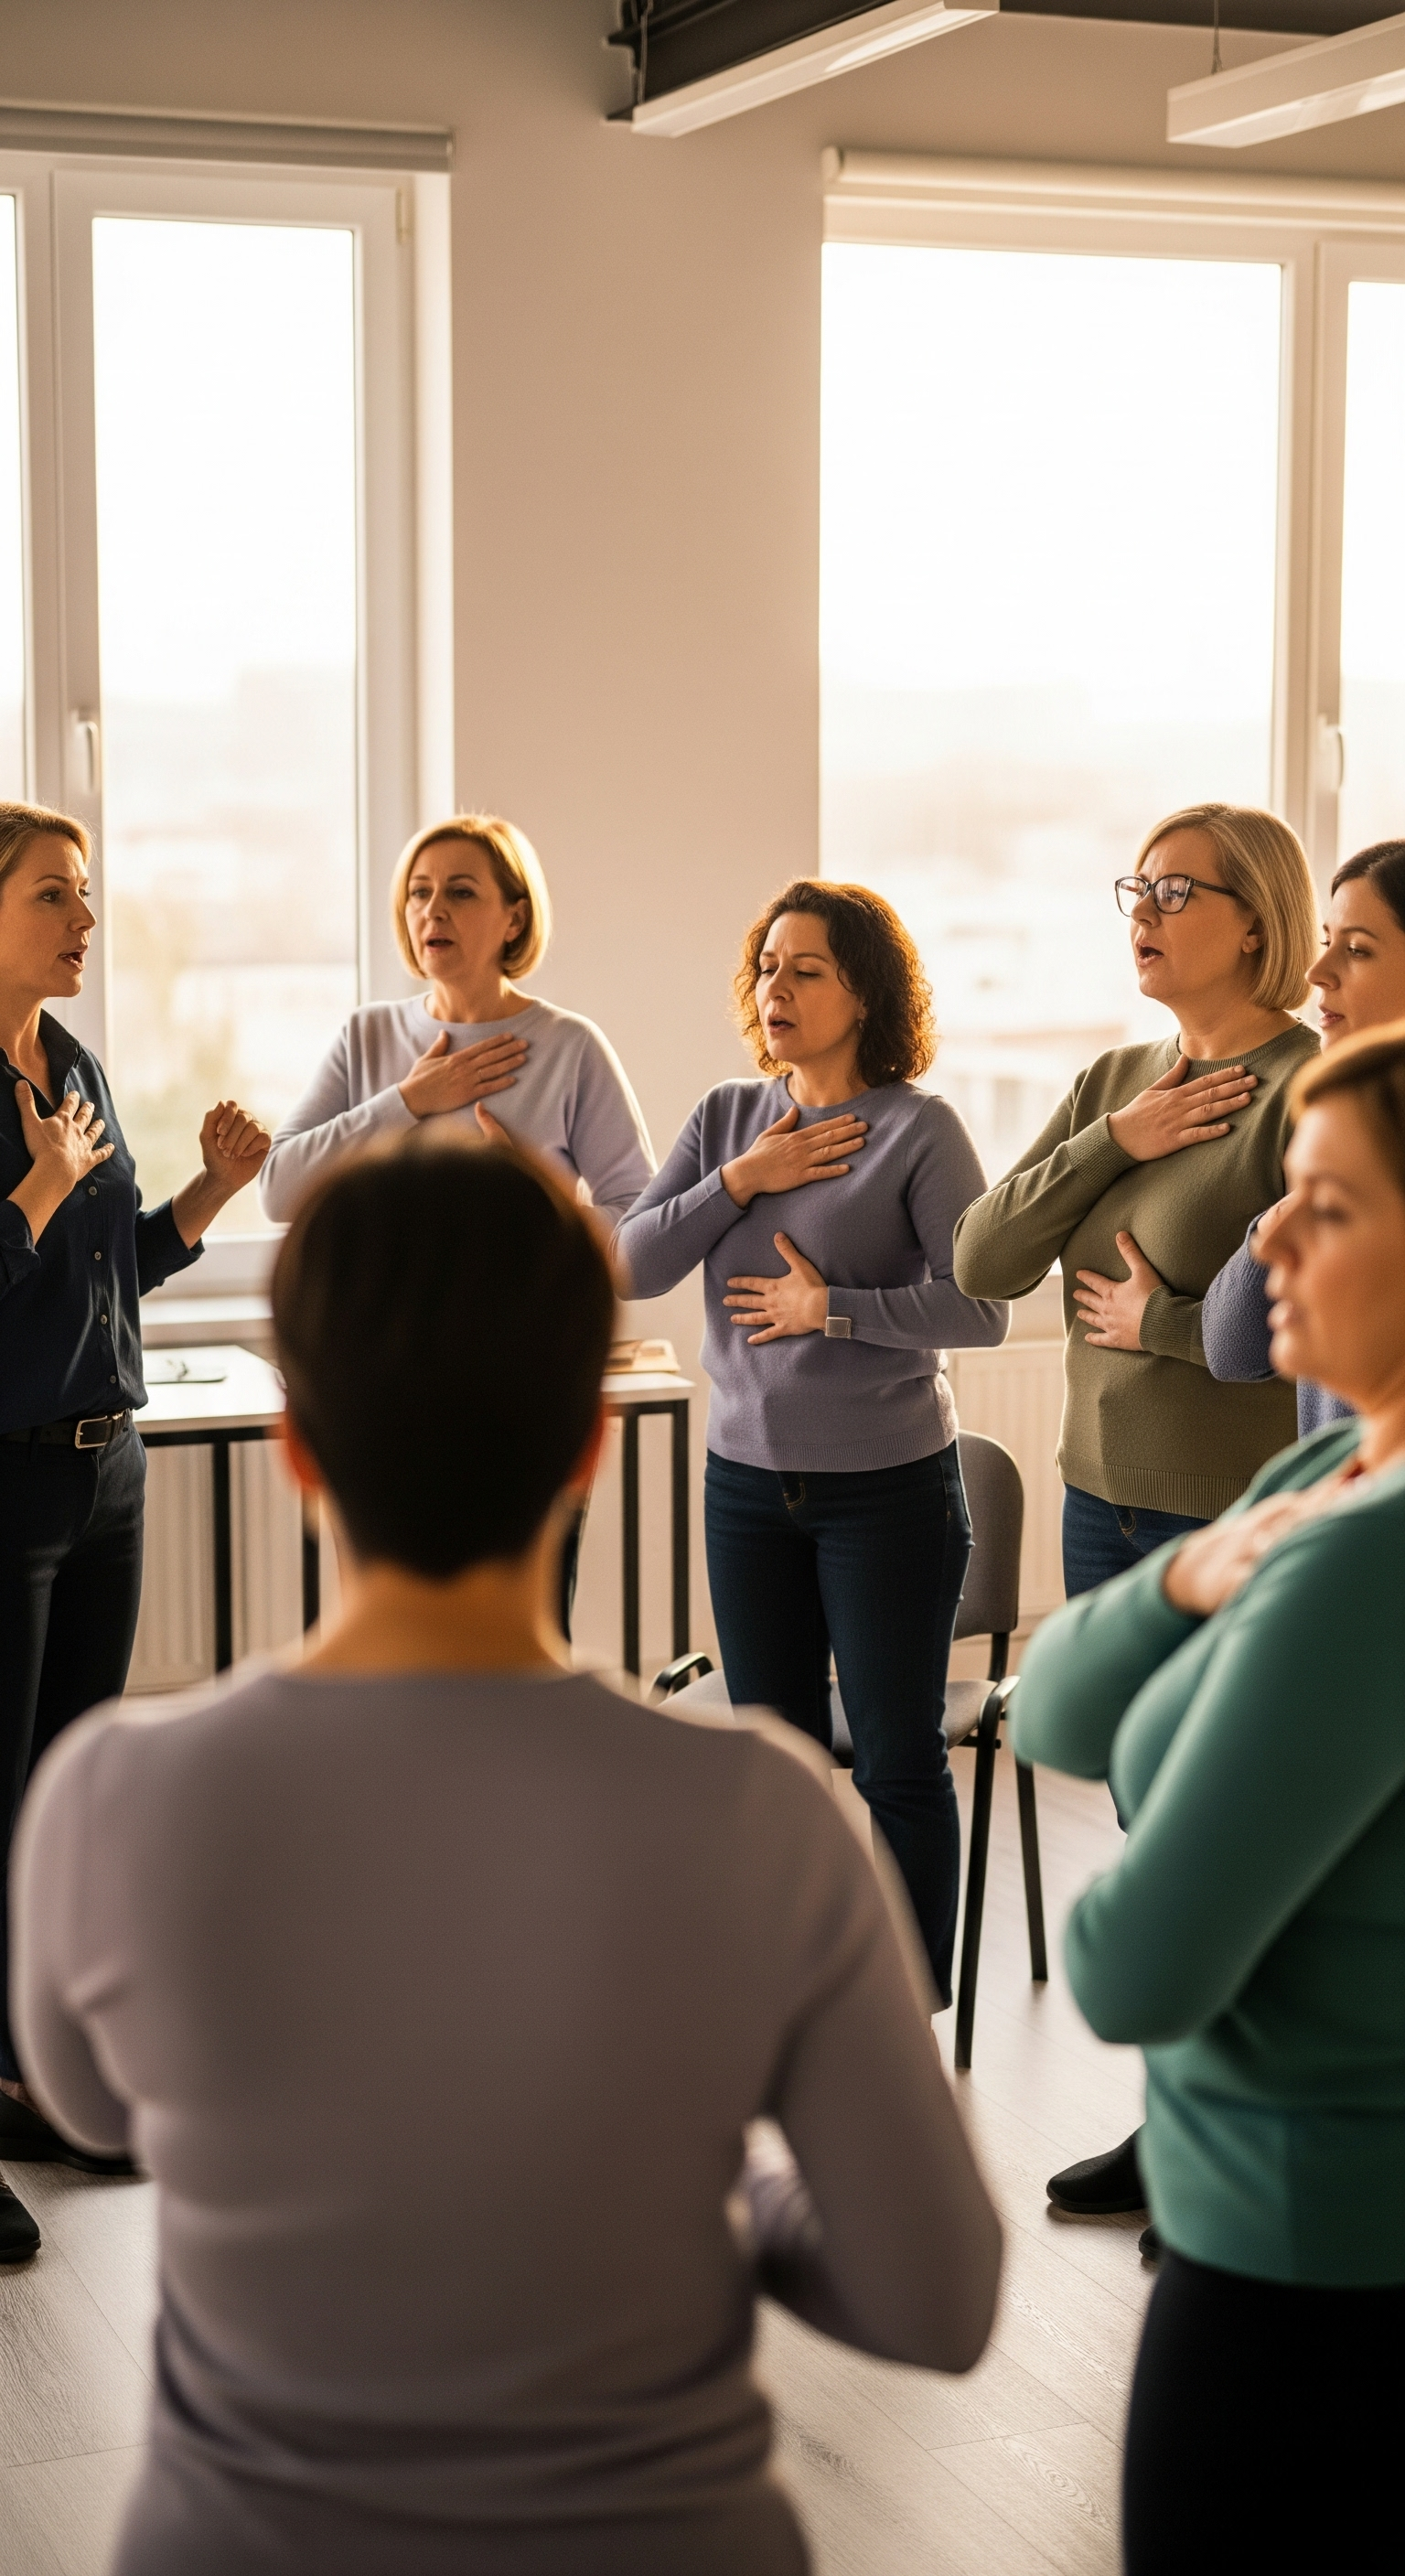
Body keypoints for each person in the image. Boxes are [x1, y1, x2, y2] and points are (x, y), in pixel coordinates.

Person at [12, 1128, 1003, 2575]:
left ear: (297, 1445)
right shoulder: (762, 1809)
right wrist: (701, 2171)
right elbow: (937, 2294)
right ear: (595, 1440)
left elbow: (93, 2107)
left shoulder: (114, 1788)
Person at [1011, 1021, 1405, 2573]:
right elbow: (1048, 1704)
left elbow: (1130, 1969)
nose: (1263, 1231)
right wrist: (1182, 1570)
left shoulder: (1363, 1559)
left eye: (1329, 1201)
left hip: (1312, 2273)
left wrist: (1140, 1883)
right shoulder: (1322, 1480)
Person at [952, 801, 1318, 2229]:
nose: (1146, 910)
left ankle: (1224, 2148)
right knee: (1136, 1818)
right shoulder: (1120, 1074)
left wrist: (1161, 1326)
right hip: (1096, 1503)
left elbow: (1314, 1308)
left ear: (1256, 920)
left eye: (1180, 890)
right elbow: (990, 1253)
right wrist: (1119, 1134)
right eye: (1138, 886)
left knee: (1210, 1837)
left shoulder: (1307, 1087)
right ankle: (1173, 2133)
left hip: (1216, 1517)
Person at [616, 881, 1007, 2008]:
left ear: (865, 991)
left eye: (808, 969)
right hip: (744, 1486)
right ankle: (785, 2007)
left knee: (895, 1762)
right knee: (773, 1772)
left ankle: (918, 2018)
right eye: (767, 967)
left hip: (888, 1493)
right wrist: (744, 1178)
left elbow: (977, 1309)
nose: (775, 989)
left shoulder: (919, 1130)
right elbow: (629, 1263)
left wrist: (830, 1309)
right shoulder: (731, 1116)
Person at [0, 801, 268, 2266]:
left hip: (107, 1471)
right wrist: (33, 1190)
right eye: (54, 895)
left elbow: (109, 1277)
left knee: (64, 1800)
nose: (84, 919)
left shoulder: (75, 1062)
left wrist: (206, 1199)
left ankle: (30, 2074)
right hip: (7, 1484)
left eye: (87, 895)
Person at [260, 811, 654, 1636]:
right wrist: (410, 1101)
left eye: (460, 892)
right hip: (380, 1384)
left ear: (514, 916)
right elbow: (281, 1186)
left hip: (521, 1385)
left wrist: (533, 1192)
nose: (432, 911)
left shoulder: (570, 1047)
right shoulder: (368, 1037)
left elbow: (641, 1226)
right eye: (419, 893)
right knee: (385, 1639)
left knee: (525, 1637)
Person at [1204, 838, 1405, 1432]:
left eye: (1358, 950)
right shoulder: (1352, 1123)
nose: (1318, 972)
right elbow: (1232, 1350)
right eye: (1326, 942)